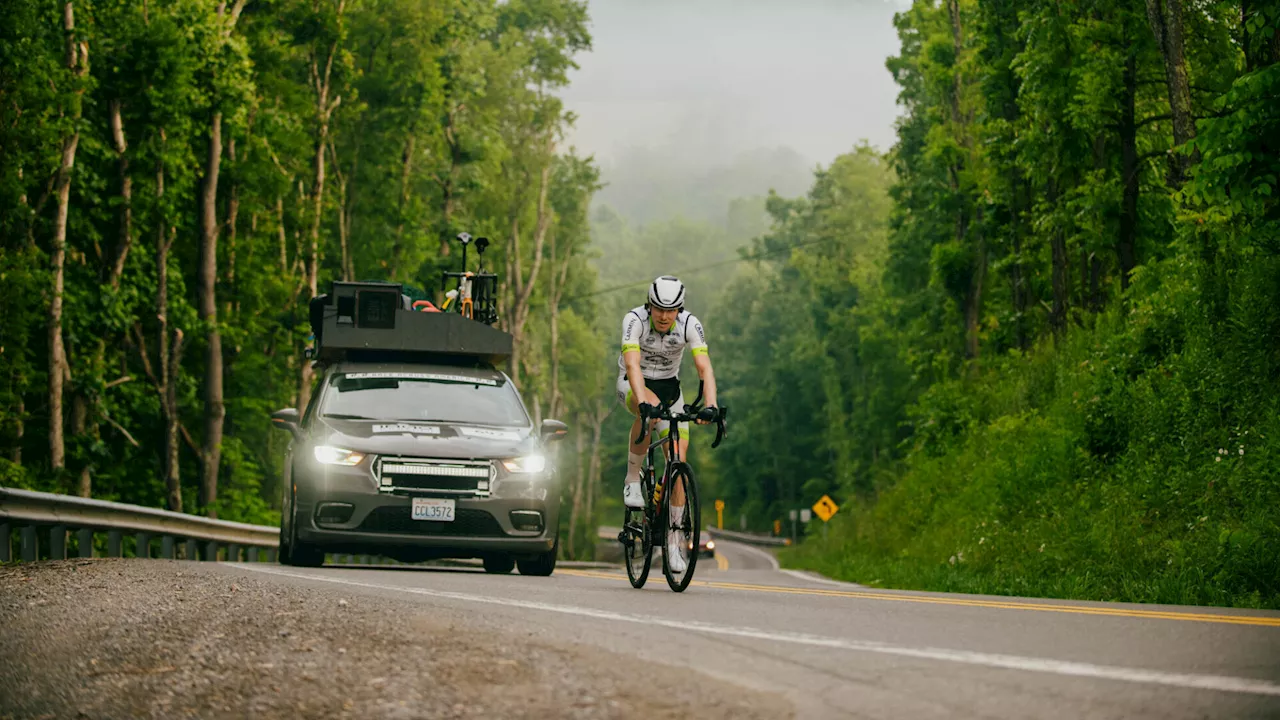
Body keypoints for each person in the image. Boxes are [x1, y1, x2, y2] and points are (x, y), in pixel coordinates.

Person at [616, 275, 718, 573]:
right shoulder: (635, 320)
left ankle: (674, 543)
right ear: (650, 305)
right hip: (633, 384)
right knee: (648, 412)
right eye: (659, 308)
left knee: (678, 462)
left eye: (671, 310)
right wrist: (643, 400)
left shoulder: (690, 324)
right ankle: (632, 479)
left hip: (671, 390)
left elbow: (704, 366)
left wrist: (710, 405)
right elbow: (632, 364)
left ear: (679, 310)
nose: (664, 315)